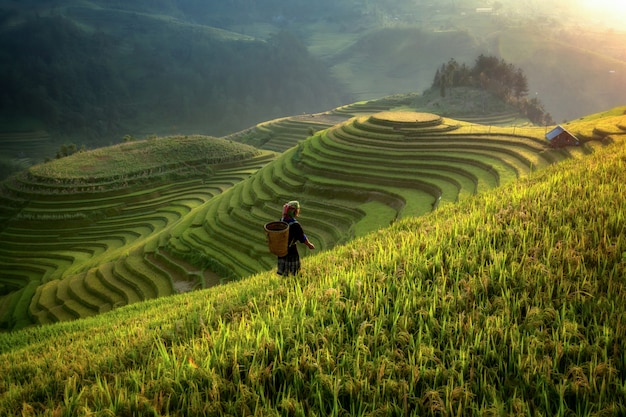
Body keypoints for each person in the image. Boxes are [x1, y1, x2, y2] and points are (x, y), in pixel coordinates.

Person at [277, 200, 315, 276]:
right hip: (291, 250)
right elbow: (302, 237)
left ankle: (286, 283)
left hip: (282, 250)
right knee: (294, 271)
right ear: (294, 211)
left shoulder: (281, 221)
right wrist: (309, 245)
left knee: (285, 271)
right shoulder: (295, 225)